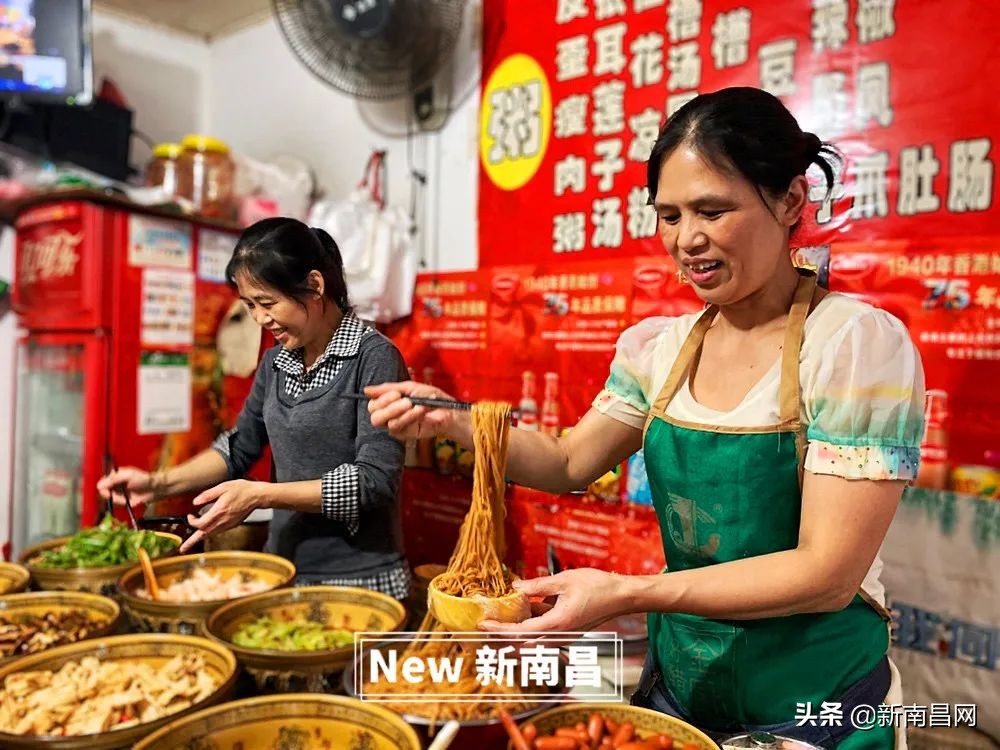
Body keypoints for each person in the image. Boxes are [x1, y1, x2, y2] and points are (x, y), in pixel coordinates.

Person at [367, 88, 925, 747]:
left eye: (713, 210)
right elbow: (569, 461)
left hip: (811, 702)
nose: (687, 240)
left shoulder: (853, 348)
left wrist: (627, 592)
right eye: (669, 215)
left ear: (791, 202)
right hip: (681, 687)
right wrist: (455, 422)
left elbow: (827, 575)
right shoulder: (658, 350)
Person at [98, 217, 411, 599]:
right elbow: (239, 446)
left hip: (361, 578)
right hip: (283, 566)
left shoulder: (374, 357)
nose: (261, 319)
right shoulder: (277, 362)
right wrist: (158, 482)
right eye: (250, 306)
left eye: (268, 303)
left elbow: (374, 480)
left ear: (314, 285)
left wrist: (262, 494)